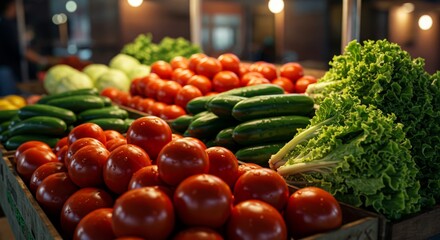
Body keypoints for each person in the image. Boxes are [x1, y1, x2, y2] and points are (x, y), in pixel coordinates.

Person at [0, 0, 57, 96]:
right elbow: (22, 50)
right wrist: (42, 60)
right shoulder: (6, 25)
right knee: (9, 99)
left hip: (7, 69)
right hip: (6, 70)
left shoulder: (9, 24)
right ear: (12, 5)